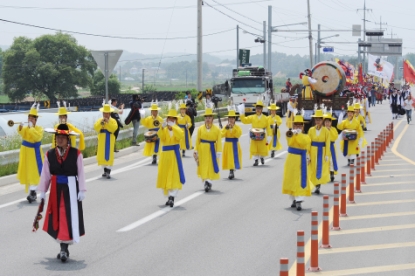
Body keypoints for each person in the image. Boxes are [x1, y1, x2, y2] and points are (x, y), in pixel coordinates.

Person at [37, 124, 86, 263]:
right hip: (55, 189)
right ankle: (63, 247)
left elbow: (81, 172)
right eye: (57, 137)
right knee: (57, 217)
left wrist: (82, 189)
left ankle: (63, 248)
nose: (59, 140)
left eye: (62, 138)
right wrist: (42, 191)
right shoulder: (50, 154)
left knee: (68, 216)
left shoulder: (76, 154)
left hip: (71, 187)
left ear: (67, 139)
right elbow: (45, 174)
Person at [282, 114, 312, 211]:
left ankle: (299, 201)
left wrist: (298, 134)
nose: (298, 127)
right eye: (296, 125)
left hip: (301, 159)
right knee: (291, 179)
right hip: (291, 159)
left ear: (303, 126)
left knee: (300, 180)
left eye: (300, 125)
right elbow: (289, 142)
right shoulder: (291, 133)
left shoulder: (306, 136)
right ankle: (294, 199)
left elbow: (303, 143)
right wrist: (293, 133)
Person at [156, 108, 185, 207]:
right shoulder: (164, 129)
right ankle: (169, 196)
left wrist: (174, 127)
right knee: (165, 175)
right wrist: (161, 127)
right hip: (165, 155)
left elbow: (180, 135)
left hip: (174, 154)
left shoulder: (178, 129)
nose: (171, 121)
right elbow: (160, 136)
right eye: (169, 119)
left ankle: (172, 197)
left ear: (176, 121)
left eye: (173, 119)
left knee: (174, 175)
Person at [17, 103, 44, 203]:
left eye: (33, 118)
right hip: (25, 153)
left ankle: (33, 192)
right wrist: (20, 126)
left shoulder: (39, 128)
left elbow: (37, 137)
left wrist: (31, 128)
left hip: (34, 153)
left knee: (34, 172)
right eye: (29, 118)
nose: (30, 120)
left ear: (36, 120)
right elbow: (21, 133)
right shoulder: (26, 128)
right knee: (27, 171)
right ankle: (32, 191)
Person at [194, 107, 222, 192]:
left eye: (209, 118)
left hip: (212, 149)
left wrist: (219, 151)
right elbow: (197, 140)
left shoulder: (217, 129)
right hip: (202, 149)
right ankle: (205, 181)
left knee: (211, 165)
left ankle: (209, 181)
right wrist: (196, 150)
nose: (208, 119)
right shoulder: (200, 128)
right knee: (203, 165)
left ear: (212, 118)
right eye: (206, 118)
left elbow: (219, 140)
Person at [240, 99, 270, 166]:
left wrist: (269, 135)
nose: (258, 109)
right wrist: (242, 115)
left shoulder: (265, 118)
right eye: (257, 108)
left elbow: (268, 127)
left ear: (262, 109)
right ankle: (256, 160)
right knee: (254, 147)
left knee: (262, 147)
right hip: (254, 134)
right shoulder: (252, 117)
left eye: (259, 108)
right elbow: (245, 120)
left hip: (262, 134)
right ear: (255, 109)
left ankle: (262, 158)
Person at [307, 109, 331, 194]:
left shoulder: (325, 131)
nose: (318, 121)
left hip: (322, 150)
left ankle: (318, 186)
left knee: (320, 168)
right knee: (313, 167)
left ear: (322, 120)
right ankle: (314, 184)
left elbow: (327, 143)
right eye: (316, 119)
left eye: (319, 119)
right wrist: (308, 154)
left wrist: (327, 154)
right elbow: (308, 142)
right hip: (313, 150)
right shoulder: (311, 130)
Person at [94, 104, 118, 179]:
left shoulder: (113, 121)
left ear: (109, 113)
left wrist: (108, 122)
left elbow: (113, 129)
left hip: (110, 138)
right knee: (101, 154)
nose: (105, 115)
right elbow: (96, 128)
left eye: (107, 113)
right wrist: (101, 123)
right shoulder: (100, 120)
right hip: (101, 139)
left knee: (109, 154)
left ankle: (108, 171)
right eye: (104, 113)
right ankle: (104, 171)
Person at [221, 109, 242, 180]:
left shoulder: (237, 127)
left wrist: (233, 128)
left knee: (234, 157)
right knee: (229, 158)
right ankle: (231, 170)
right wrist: (226, 129)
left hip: (235, 143)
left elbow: (238, 135)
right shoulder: (225, 126)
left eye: (232, 118)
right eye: (229, 118)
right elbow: (221, 135)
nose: (231, 120)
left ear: (234, 119)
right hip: (227, 144)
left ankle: (232, 170)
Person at [323, 113, 338, 182]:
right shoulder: (322, 129)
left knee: (331, 160)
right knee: (325, 161)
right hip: (324, 147)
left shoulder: (333, 129)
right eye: (326, 122)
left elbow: (335, 137)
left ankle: (332, 173)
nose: (327, 123)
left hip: (331, 146)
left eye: (328, 122)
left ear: (331, 122)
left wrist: (329, 131)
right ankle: (325, 174)